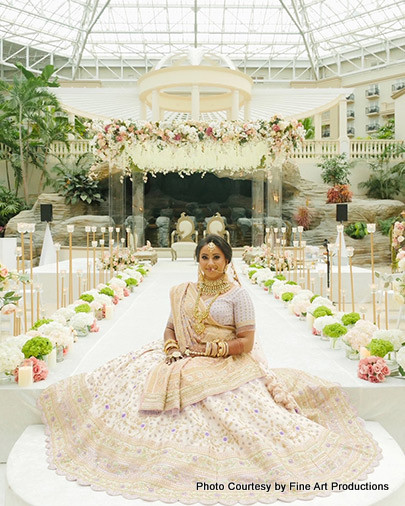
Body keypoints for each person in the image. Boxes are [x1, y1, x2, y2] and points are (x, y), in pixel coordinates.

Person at [38, 234, 380, 503]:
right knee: (131, 372)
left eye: (216, 257)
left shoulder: (237, 296)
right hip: (181, 353)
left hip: (225, 359)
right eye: (205, 257)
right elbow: (171, 326)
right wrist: (172, 348)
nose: (210, 263)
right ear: (198, 260)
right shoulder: (184, 291)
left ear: (228, 261)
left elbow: (245, 342)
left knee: (209, 391)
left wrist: (211, 350)